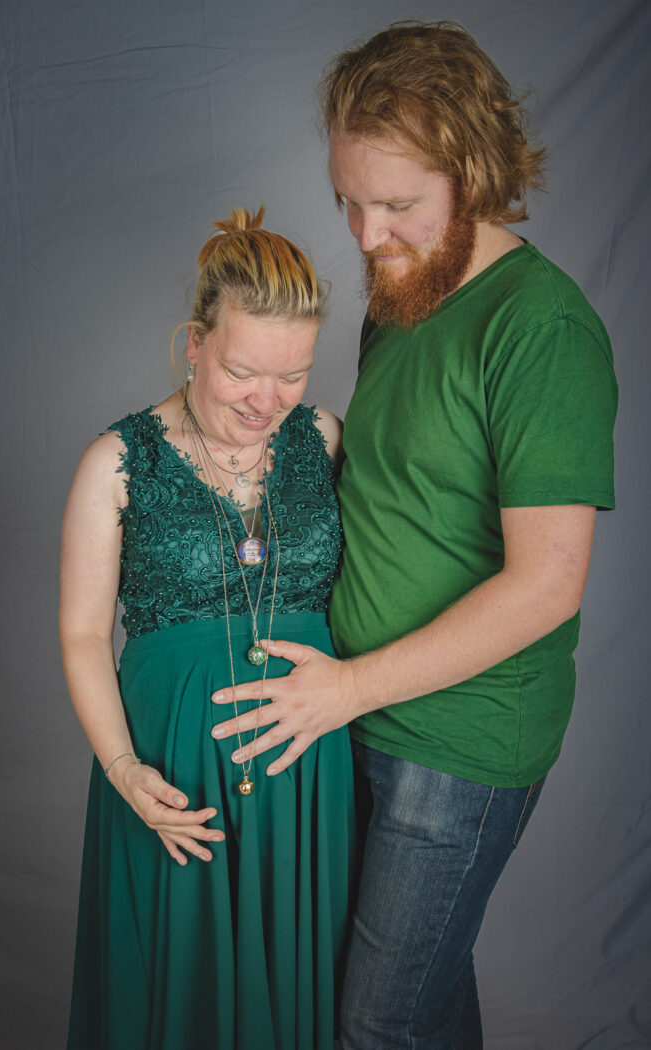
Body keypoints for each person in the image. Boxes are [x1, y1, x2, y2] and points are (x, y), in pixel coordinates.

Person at [210, 22, 618, 1049]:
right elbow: (392, 491)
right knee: (421, 1006)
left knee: (376, 1027)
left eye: (396, 204)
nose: (365, 235)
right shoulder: (402, 297)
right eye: (349, 200)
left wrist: (349, 687)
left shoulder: (541, 329)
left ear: (474, 174)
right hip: (363, 710)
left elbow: (547, 583)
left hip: (458, 742)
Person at [60, 206, 354, 1050]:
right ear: (194, 344)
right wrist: (123, 770)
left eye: (293, 375)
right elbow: (83, 636)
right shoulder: (115, 463)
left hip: (308, 778)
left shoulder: (323, 438)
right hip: (174, 785)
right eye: (241, 371)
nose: (267, 402)